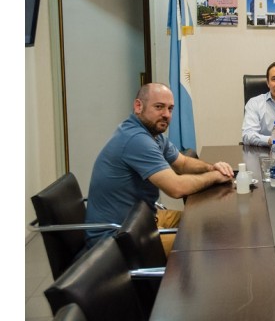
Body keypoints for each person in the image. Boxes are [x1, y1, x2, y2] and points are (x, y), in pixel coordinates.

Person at [85, 83, 235, 255]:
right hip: (118, 237)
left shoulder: (153, 135)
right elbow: (176, 188)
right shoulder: (136, 139)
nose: (166, 115)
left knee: (207, 224)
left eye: (170, 109)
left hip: (144, 219)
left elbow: (183, 163)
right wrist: (215, 176)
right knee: (203, 242)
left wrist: (211, 167)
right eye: (159, 107)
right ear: (138, 106)